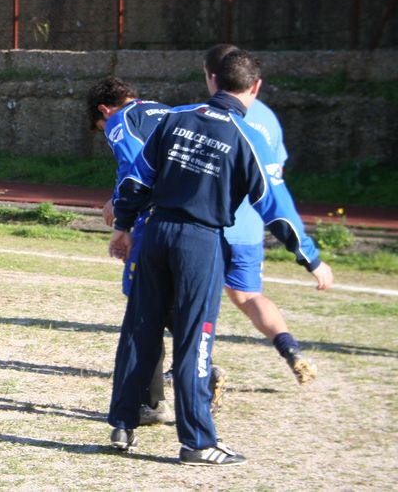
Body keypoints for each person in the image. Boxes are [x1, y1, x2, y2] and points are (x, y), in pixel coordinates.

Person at [106, 49, 333, 465]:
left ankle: (122, 423)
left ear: (212, 79)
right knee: (195, 337)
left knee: (141, 326)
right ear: (256, 87)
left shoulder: (175, 118)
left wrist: (123, 225)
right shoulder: (248, 137)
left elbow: (136, 178)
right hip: (200, 240)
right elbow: (277, 209)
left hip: (155, 233)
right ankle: (197, 441)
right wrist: (311, 259)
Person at [203, 44, 315, 384]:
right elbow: (275, 173)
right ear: (253, 82)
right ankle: (290, 349)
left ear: (212, 77)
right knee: (250, 296)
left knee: (191, 299)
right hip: (250, 229)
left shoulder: (206, 115)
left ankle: (200, 368)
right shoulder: (267, 117)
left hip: (209, 225)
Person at [86, 77, 176, 425]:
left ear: (104, 110)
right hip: (194, 222)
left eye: (101, 127)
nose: (106, 132)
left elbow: (133, 166)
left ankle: (152, 403)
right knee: (175, 303)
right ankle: (200, 369)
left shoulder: (120, 120)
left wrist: (121, 212)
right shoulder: (169, 111)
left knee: (144, 307)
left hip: (154, 220)